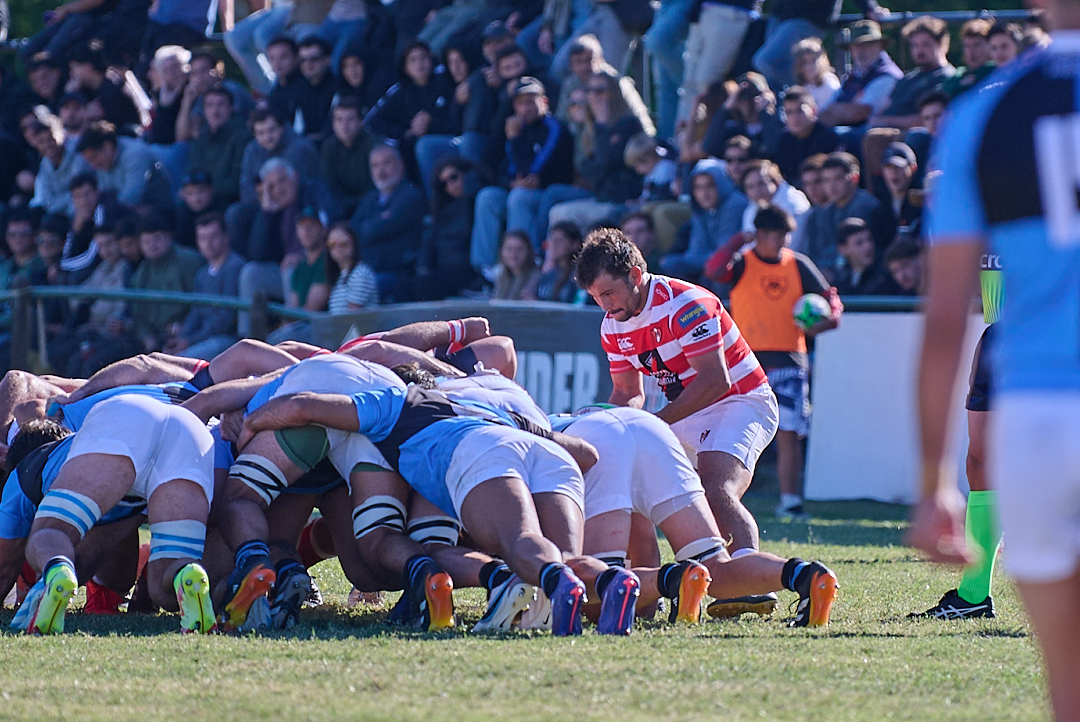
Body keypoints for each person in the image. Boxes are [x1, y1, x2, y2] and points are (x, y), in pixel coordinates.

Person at [909, 10, 1080, 719]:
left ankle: (972, 590)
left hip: (1041, 406)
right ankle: (972, 595)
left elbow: (943, 318)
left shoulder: (989, 110)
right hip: (1021, 374)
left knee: (1068, 687)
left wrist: (928, 486)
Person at [575, 228, 781, 613]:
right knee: (641, 492)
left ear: (636, 275)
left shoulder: (687, 303)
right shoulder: (612, 324)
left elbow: (715, 380)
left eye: (609, 293)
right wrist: (614, 429)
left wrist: (653, 423)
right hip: (685, 409)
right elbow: (625, 394)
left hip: (738, 400)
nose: (604, 305)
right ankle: (650, 594)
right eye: (595, 297)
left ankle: (749, 579)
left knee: (715, 487)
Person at [8, 394, 217, 635]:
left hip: (126, 417)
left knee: (50, 532)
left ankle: (57, 569)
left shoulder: (26, 471)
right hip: (191, 430)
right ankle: (185, 572)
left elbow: (4, 567)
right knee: (164, 589)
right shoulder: (71, 409)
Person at [707, 205, 841, 518]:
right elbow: (713, 270)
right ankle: (726, 498)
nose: (781, 241)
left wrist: (830, 318)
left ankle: (790, 500)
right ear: (761, 234)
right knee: (733, 432)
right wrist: (739, 239)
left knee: (789, 432)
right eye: (775, 235)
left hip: (791, 359)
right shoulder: (741, 262)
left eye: (784, 235)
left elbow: (829, 296)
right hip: (745, 362)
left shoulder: (798, 264)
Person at [470, 76, 575, 269]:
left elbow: (531, 175)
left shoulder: (554, 129)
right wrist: (509, 183)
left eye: (530, 101)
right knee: (488, 197)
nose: (525, 108)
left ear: (544, 101)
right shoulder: (513, 127)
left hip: (547, 191)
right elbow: (495, 169)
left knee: (519, 197)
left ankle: (523, 265)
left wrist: (515, 141)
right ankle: (483, 269)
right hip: (518, 188)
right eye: (520, 104)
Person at [348, 143, 426, 303]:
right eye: (375, 166)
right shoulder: (370, 199)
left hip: (397, 275)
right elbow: (353, 230)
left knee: (359, 289)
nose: (380, 171)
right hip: (367, 271)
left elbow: (379, 228)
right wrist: (376, 223)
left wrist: (371, 227)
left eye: (386, 163)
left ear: (401, 165)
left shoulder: (410, 195)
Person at [163, 213, 244, 360]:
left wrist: (190, 340)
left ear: (225, 237)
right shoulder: (202, 274)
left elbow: (227, 319)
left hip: (227, 340)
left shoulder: (235, 267)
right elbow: (196, 311)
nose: (208, 243)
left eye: (213, 236)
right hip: (203, 339)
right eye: (202, 238)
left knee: (182, 361)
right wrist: (182, 338)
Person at [659, 159, 747, 283]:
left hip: (732, 266)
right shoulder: (699, 207)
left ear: (721, 183)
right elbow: (697, 250)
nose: (704, 194)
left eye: (709, 186)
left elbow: (724, 253)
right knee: (669, 264)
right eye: (698, 188)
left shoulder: (735, 204)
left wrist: (704, 260)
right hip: (707, 261)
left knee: (713, 274)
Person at [127, 213, 204, 353]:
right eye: (146, 241)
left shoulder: (188, 262)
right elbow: (139, 317)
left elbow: (200, 306)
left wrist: (183, 328)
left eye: (156, 239)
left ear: (168, 237)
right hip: (157, 339)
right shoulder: (140, 275)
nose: (152, 245)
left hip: (186, 334)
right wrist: (147, 339)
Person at [803, 152, 888, 276]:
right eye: (826, 180)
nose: (831, 186)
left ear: (854, 178)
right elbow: (815, 251)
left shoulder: (866, 207)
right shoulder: (821, 213)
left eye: (838, 178)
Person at [817, 21, 902, 130]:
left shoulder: (888, 76)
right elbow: (826, 109)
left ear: (879, 46)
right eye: (855, 46)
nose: (860, 51)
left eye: (867, 45)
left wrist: (835, 111)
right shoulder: (852, 76)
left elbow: (860, 112)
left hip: (870, 132)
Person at [416, 158, 480, 301]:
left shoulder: (478, 203)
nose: (451, 185)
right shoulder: (441, 212)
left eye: (453, 177)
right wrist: (423, 269)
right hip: (443, 266)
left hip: (467, 267)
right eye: (444, 183)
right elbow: (429, 243)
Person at [76, 121, 171, 209]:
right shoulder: (103, 162)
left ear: (107, 146)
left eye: (94, 157)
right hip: (126, 213)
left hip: (157, 210)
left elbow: (131, 198)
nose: (93, 165)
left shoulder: (135, 154)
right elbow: (104, 196)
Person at [184, 83, 250, 207]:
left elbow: (237, 180)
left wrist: (208, 192)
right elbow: (192, 169)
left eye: (220, 104)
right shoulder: (201, 138)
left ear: (230, 108)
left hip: (227, 199)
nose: (215, 111)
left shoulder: (241, 137)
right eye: (210, 105)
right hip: (201, 197)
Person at [238, 108, 320, 208]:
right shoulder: (252, 150)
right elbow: (246, 186)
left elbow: (296, 188)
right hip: (261, 203)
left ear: (282, 127)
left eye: (271, 130)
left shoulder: (300, 148)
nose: (267, 137)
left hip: (297, 205)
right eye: (261, 133)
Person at [320, 96, 376, 217]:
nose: (344, 126)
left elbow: (374, 188)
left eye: (350, 119)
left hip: (369, 207)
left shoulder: (372, 145)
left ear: (360, 122)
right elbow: (329, 185)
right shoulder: (329, 147)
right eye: (339, 120)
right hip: (340, 208)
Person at [774, 86, 842, 186]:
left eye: (800, 111)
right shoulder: (784, 140)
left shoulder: (828, 137)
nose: (795, 118)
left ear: (813, 110)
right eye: (789, 112)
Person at [831, 218, 898, 295]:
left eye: (869, 239)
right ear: (843, 249)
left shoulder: (885, 276)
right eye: (859, 243)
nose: (868, 246)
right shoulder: (840, 279)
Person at [325, 222, 379, 314]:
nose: (337, 248)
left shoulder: (360, 274)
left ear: (353, 243)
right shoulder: (341, 276)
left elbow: (351, 318)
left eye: (343, 243)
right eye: (332, 244)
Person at [526, 221, 583, 303]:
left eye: (559, 240)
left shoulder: (579, 276)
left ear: (575, 244)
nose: (554, 244)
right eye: (552, 240)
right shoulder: (547, 275)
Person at [294, 36, 337, 144]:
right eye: (303, 60)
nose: (308, 64)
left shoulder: (339, 88)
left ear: (327, 60)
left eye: (314, 59)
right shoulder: (298, 88)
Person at [941, 20, 995, 99]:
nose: (971, 51)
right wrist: (959, 86)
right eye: (967, 46)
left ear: (990, 46)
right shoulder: (958, 76)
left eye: (977, 45)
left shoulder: (995, 72)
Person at [790, 38, 840, 112]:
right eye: (804, 62)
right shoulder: (801, 87)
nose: (809, 66)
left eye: (813, 60)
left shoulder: (829, 83)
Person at [492, 230, 541, 301]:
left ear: (528, 252)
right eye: (509, 249)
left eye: (519, 249)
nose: (513, 254)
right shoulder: (501, 277)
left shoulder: (535, 278)